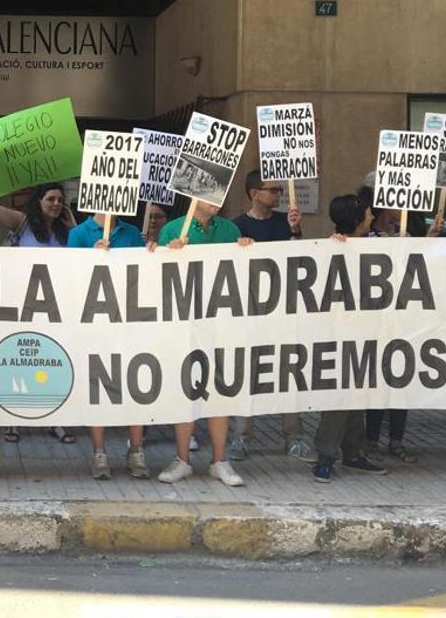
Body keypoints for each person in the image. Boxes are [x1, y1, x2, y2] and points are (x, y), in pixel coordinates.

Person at [0, 154, 77, 444]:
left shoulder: (67, 230)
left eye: (60, 200)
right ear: (39, 201)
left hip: (56, 307)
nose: (56, 204)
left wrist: (73, 225)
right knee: (21, 360)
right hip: (23, 304)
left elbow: (82, 260)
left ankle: (54, 420)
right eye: (51, 199)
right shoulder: (23, 222)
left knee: (53, 361)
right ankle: (13, 420)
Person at [150, 198, 253, 487]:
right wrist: (169, 253)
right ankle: (182, 460)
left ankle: (219, 461)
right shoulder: (173, 229)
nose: (218, 202)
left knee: (219, 389)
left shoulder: (231, 229)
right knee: (186, 390)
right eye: (211, 196)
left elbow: (241, 273)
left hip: (220, 324)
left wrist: (244, 248)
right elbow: (157, 273)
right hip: (185, 324)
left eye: (222, 196)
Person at [229, 170, 315, 465]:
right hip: (249, 314)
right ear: (254, 193)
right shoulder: (236, 226)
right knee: (247, 374)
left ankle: (295, 436)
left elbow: (299, 260)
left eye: (279, 188)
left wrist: (295, 229)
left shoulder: (284, 223)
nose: (278, 194)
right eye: (272, 189)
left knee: (289, 372)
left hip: (283, 311)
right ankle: (242, 436)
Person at [310, 194, 389, 482]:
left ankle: (353, 453)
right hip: (338, 334)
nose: (371, 218)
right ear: (357, 221)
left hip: (367, 332)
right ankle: (326, 455)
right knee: (341, 396)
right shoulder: (330, 249)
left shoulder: (373, 245)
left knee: (358, 393)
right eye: (367, 214)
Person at [68, 212, 149, 480]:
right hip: (96, 323)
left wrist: (151, 254)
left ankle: (136, 450)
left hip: (130, 322)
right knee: (97, 385)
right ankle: (99, 452)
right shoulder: (79, 234)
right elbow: (68, 277)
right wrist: (90, 257)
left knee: (135, 383)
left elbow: (144, 275)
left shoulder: (132, 233)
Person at [358, 178, 421, 463]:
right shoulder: (364, 238)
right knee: (375, 382)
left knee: (400, 380)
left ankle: (396, 439)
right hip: (373, 320)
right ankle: (370, 439)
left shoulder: (407, 233)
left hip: (403, 318)